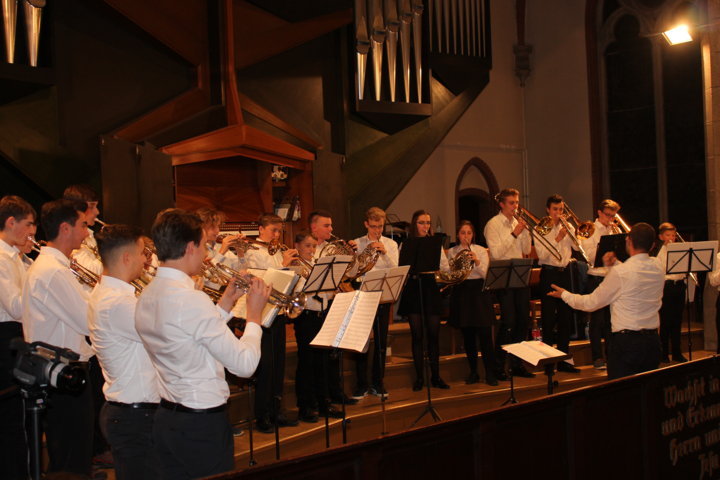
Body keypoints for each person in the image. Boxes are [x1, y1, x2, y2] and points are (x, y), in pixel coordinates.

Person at [135, 209, 270, 480]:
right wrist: (255, 316)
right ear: (190, 247)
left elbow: (187, 334)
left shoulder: (147, 294)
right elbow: (244, 365)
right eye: (204, 245)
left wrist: (226, 301)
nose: (206, 252)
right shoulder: (191, 299)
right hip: (200, 424)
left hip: (167, 417)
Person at [22, 198, 94, 477]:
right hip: (63, 371)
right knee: (71, 454)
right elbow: (87, 320)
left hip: (61, 368)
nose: (86, 233)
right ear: (65, 228)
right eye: (82, 226)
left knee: (71, 448)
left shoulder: (54, 267)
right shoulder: (52, 270)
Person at [548, 223, 665, 380]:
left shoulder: (621, 272)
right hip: (652, 341)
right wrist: (615, 264)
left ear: (628, 241)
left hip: (627, 343)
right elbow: (636, 273)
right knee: (649, 389)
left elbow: (591, 303)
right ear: (652, 246)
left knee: (621, 389)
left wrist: (565, 295)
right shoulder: (658, 266)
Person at [88, 225, 160, 480]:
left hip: (131, 411)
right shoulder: (117, 301)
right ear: (127, 257)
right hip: (135, 414)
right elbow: (166, 337)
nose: (146, 259)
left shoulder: (111, 294)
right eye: (142, 253)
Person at [244, 213, 299, 433]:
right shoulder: (252, 252)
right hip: (262, 312)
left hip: (278, 312)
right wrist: (284, 265)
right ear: (260, 229)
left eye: (279, 231)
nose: (277, 235)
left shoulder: (276, 251)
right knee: (266, 366)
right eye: (273, 230)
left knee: (279, 364)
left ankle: (277, 410)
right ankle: (262, 415)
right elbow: (263, 281)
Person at [0, 195, 36, 480]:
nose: (32, 232)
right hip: (5, 337)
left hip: (17, 335)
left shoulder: (17, 258)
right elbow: (15, 305)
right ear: (11, 222)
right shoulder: (1, 259)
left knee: (19, 416)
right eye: (29, 224)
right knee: (11, 417)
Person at [291, 231, 343, 422]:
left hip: (321, 315)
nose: (311, 250)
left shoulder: (317, 265)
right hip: (305, 318)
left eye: (313, 246)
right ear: (297, 246)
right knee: (307, 362)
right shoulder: (294, 267)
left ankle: (323, 403)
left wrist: (331, 289)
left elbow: (325, 295)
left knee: (322, 362)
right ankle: (306, 406)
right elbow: (297, 293)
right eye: (307, 246)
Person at [308, 209, 358, 405]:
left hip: (333, 302)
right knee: (320, 353)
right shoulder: (309, 248)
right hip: (315, 305)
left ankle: (336, 392)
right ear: (314, 228)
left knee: (335, 350)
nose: (331, 229)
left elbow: (352, 272)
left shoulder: (333, 248)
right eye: (326, 225)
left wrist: (352, 254)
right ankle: (322, 397)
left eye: (331, 225)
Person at [398, 209, 450, 391]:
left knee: (434, 335)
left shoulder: (435, 244)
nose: (425, 226)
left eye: (428, 223)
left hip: (429, 286)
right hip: (413, 287)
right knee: (417, 335)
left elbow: (445, 267)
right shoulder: (406, 244)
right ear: (415, 224)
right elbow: (401, 267)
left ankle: (436, 376)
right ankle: (420, 378)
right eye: (421, 222)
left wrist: (439, 267)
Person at [483, 188, 533, 379]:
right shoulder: (493, 225)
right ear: (502, 204)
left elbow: (526, 250)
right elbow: (496, 253)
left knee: (523, 321)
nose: (515, 206)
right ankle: (498, 366)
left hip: (519, 275)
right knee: (508, 322)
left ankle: (517, 364)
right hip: (503, 278)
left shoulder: (517, 223)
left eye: (517, 202)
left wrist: (525, 233)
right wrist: (514, 234)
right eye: (512, 203)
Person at [351, 207, 399, 400]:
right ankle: (361, 384)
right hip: (363, 295)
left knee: (381, 341)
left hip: (382, 295)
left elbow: (396, 269)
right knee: (361, 341)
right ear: (366, 224)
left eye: (380, 226)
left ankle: (378, 383)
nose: (377, 230)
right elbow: (352, 272)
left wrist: (384, 253)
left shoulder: (391, 244)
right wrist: (355, 254)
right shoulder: (357, 243)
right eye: (373, 226)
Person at [446, 221, 498, 386]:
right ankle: (473, 372)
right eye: (463, 233)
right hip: (462, 292)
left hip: (479, 292)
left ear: (473, 235)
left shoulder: (481, 250)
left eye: (469, 233)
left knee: (485, 336)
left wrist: (477, 261)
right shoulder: (452, 252)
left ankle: (490, 373)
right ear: (458, 235)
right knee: (468, 336)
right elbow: (451, 274)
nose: (466, 236)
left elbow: (486, 275)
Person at [535, 194, 580, 374]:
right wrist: (558, 238)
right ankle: (548, 364)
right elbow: (541, 254)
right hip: (549, 273)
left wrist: (571, 230)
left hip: (565, 273)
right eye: (555, 209)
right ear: (548, 210)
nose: (558, 213)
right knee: (548, 319)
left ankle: (564, 361)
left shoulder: (567, 226)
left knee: (565, 318)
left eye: (561, 209)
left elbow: (577, 247)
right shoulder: (540, 228)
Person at [580, 199, 621, 370]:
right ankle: (597, 357)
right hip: (596, 277)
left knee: (612, 320)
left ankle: (612, 355)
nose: (610, 219)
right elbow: (588, 256)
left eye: (613, 216)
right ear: (599, 213)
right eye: (607, 215)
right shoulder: (590, 229)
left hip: (612, 277)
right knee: (597, 320)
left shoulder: (614, 230)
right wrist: (601, 246)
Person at [655, 222, 688, 363]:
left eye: (673, 235)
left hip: (679, 286)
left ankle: (676, 352)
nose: (671, 238)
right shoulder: (659, 252)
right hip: (666, 286)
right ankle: (663, 353)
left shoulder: (681, 250)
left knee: (677, 320)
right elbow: (660, 270)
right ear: (661, 237)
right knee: (665, 321)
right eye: (668, 235)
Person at [64, 185, 103, 277]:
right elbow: (90, 272)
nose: (97, 212)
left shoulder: (89, 235)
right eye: (92, 206)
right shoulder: (72, 236)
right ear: (78, 208)